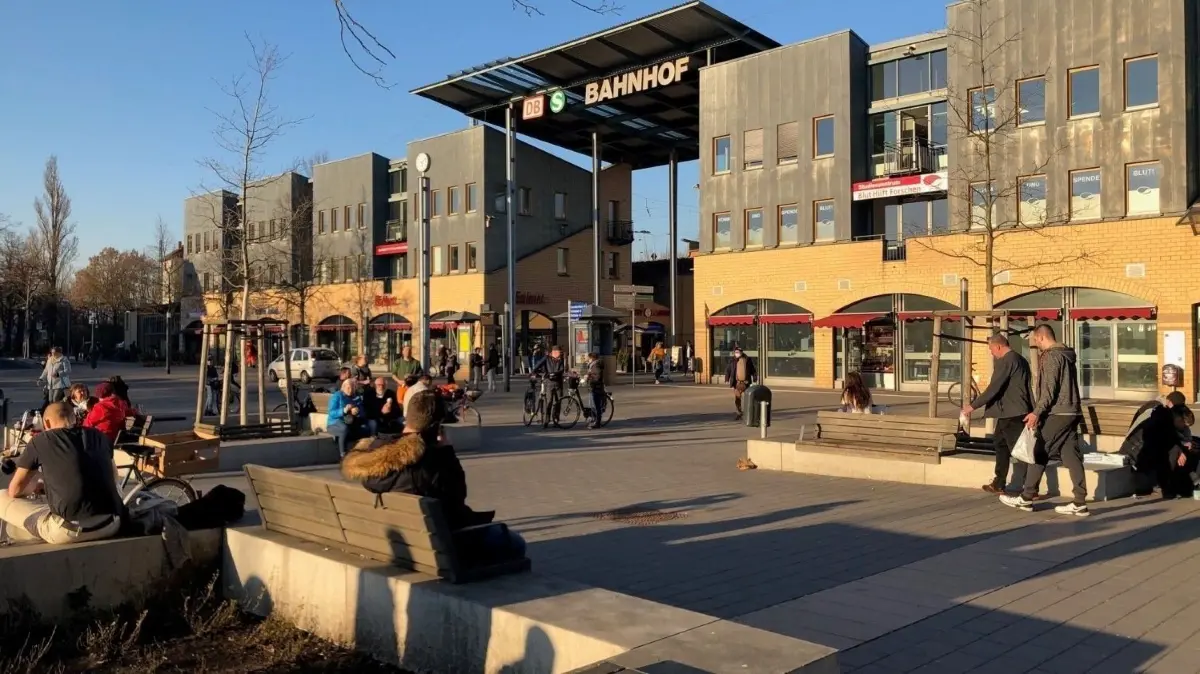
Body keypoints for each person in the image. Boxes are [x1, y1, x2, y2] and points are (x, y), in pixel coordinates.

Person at [340, 390, 525, 560]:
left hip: (389, 542)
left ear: (408, 416)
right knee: (515, 542)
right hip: (437, 549)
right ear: (436, 425)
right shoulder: (432, 459)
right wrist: (447, 451)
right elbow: (457, 499)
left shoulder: (374, 452)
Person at [1, 403, 124, 545]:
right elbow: (114, 480)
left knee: (2, 496)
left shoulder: (40, 441)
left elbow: (15, 490)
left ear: (46, 422)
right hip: (111, 524)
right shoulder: (99, 436)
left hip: (69, 532)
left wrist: (35, 486)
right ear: (75, 419)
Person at [1000, 325, 1088, 516]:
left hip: (1057, 412)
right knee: (1071, 455)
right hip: (1072, 411)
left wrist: (1037, 412)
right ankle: (1080, 501)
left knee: (1039, 450)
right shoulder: (1067, 354)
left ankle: (1026, 498)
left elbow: (1049, 390)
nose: (1035, 344)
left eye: (1035, 340)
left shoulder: (1050, 357)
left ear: (1041, 338)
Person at [963, 334, 1034, 495]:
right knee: (1000, 445)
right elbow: (1027, 387)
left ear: (999, 347)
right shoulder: (1021, 359)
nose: (991, 353)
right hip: (1010, 412)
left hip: (1012, 412)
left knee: (1020, 451)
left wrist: (972, 407)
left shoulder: (1006, 361)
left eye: (991, 349)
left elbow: (994, 387)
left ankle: (1030, 488)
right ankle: (999, 482)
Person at [1121, 403, 1196, 498]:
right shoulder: (1159, 422)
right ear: (1178, 418)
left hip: (1145, 460)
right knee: (1174, 451)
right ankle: (1166, 487)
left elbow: (1171, 439)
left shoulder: (1166, 421)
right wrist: (1179, 449)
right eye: (1184, 425)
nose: (1184, 428)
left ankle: (1181, 484)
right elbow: (1163, 447)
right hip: (1135, 462)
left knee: (1181, 449)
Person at [326, 378, 375, 458]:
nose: (350, 390)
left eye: (352, 387)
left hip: (352, 422)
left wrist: (357, 411)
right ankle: (343, 454)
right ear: (343, 387)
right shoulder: (337, 396)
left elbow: (362, 412)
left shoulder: (355, 397)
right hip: (335, 423)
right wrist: (344, 410)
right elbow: (331, 413)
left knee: (365, 429)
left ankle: (361, 452)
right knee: (344, 428)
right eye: (348, 387)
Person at [532, 345, 567, 422]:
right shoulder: (547, 358)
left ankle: (556, 418)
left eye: (560, 352)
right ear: (553, 352)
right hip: (549, 382)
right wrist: (534, 372)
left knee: (558, 401)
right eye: (558, 352)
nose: (560, 354)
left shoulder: (561, 359)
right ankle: (547, 419)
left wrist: (555, 373)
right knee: (549, 401)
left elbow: (562, 369)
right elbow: (538, 365)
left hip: (558, 382)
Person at [725, 347, 757, 421]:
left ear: (741, 352)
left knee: (748, 398)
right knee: (737, 398)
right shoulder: (732, 360)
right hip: (737, 383)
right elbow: (728, 370)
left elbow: (753, 370)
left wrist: (755, 378)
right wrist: (727, 379)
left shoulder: (747, 360)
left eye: (738, 352)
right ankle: (739, 412)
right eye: (735, 352)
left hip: (746, 382)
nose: (737, 353)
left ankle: (748, 412)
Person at [584, 351, 606, 429]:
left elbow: (597, 377)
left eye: (588, 358)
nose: (587, 359)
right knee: (594, 405)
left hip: (596, 387)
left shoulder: (595, 365)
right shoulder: (593, 365)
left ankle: (597, 422)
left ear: (592, 358)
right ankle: (595, 420)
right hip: (594, 386)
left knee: (596, 406)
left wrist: (590, 378)